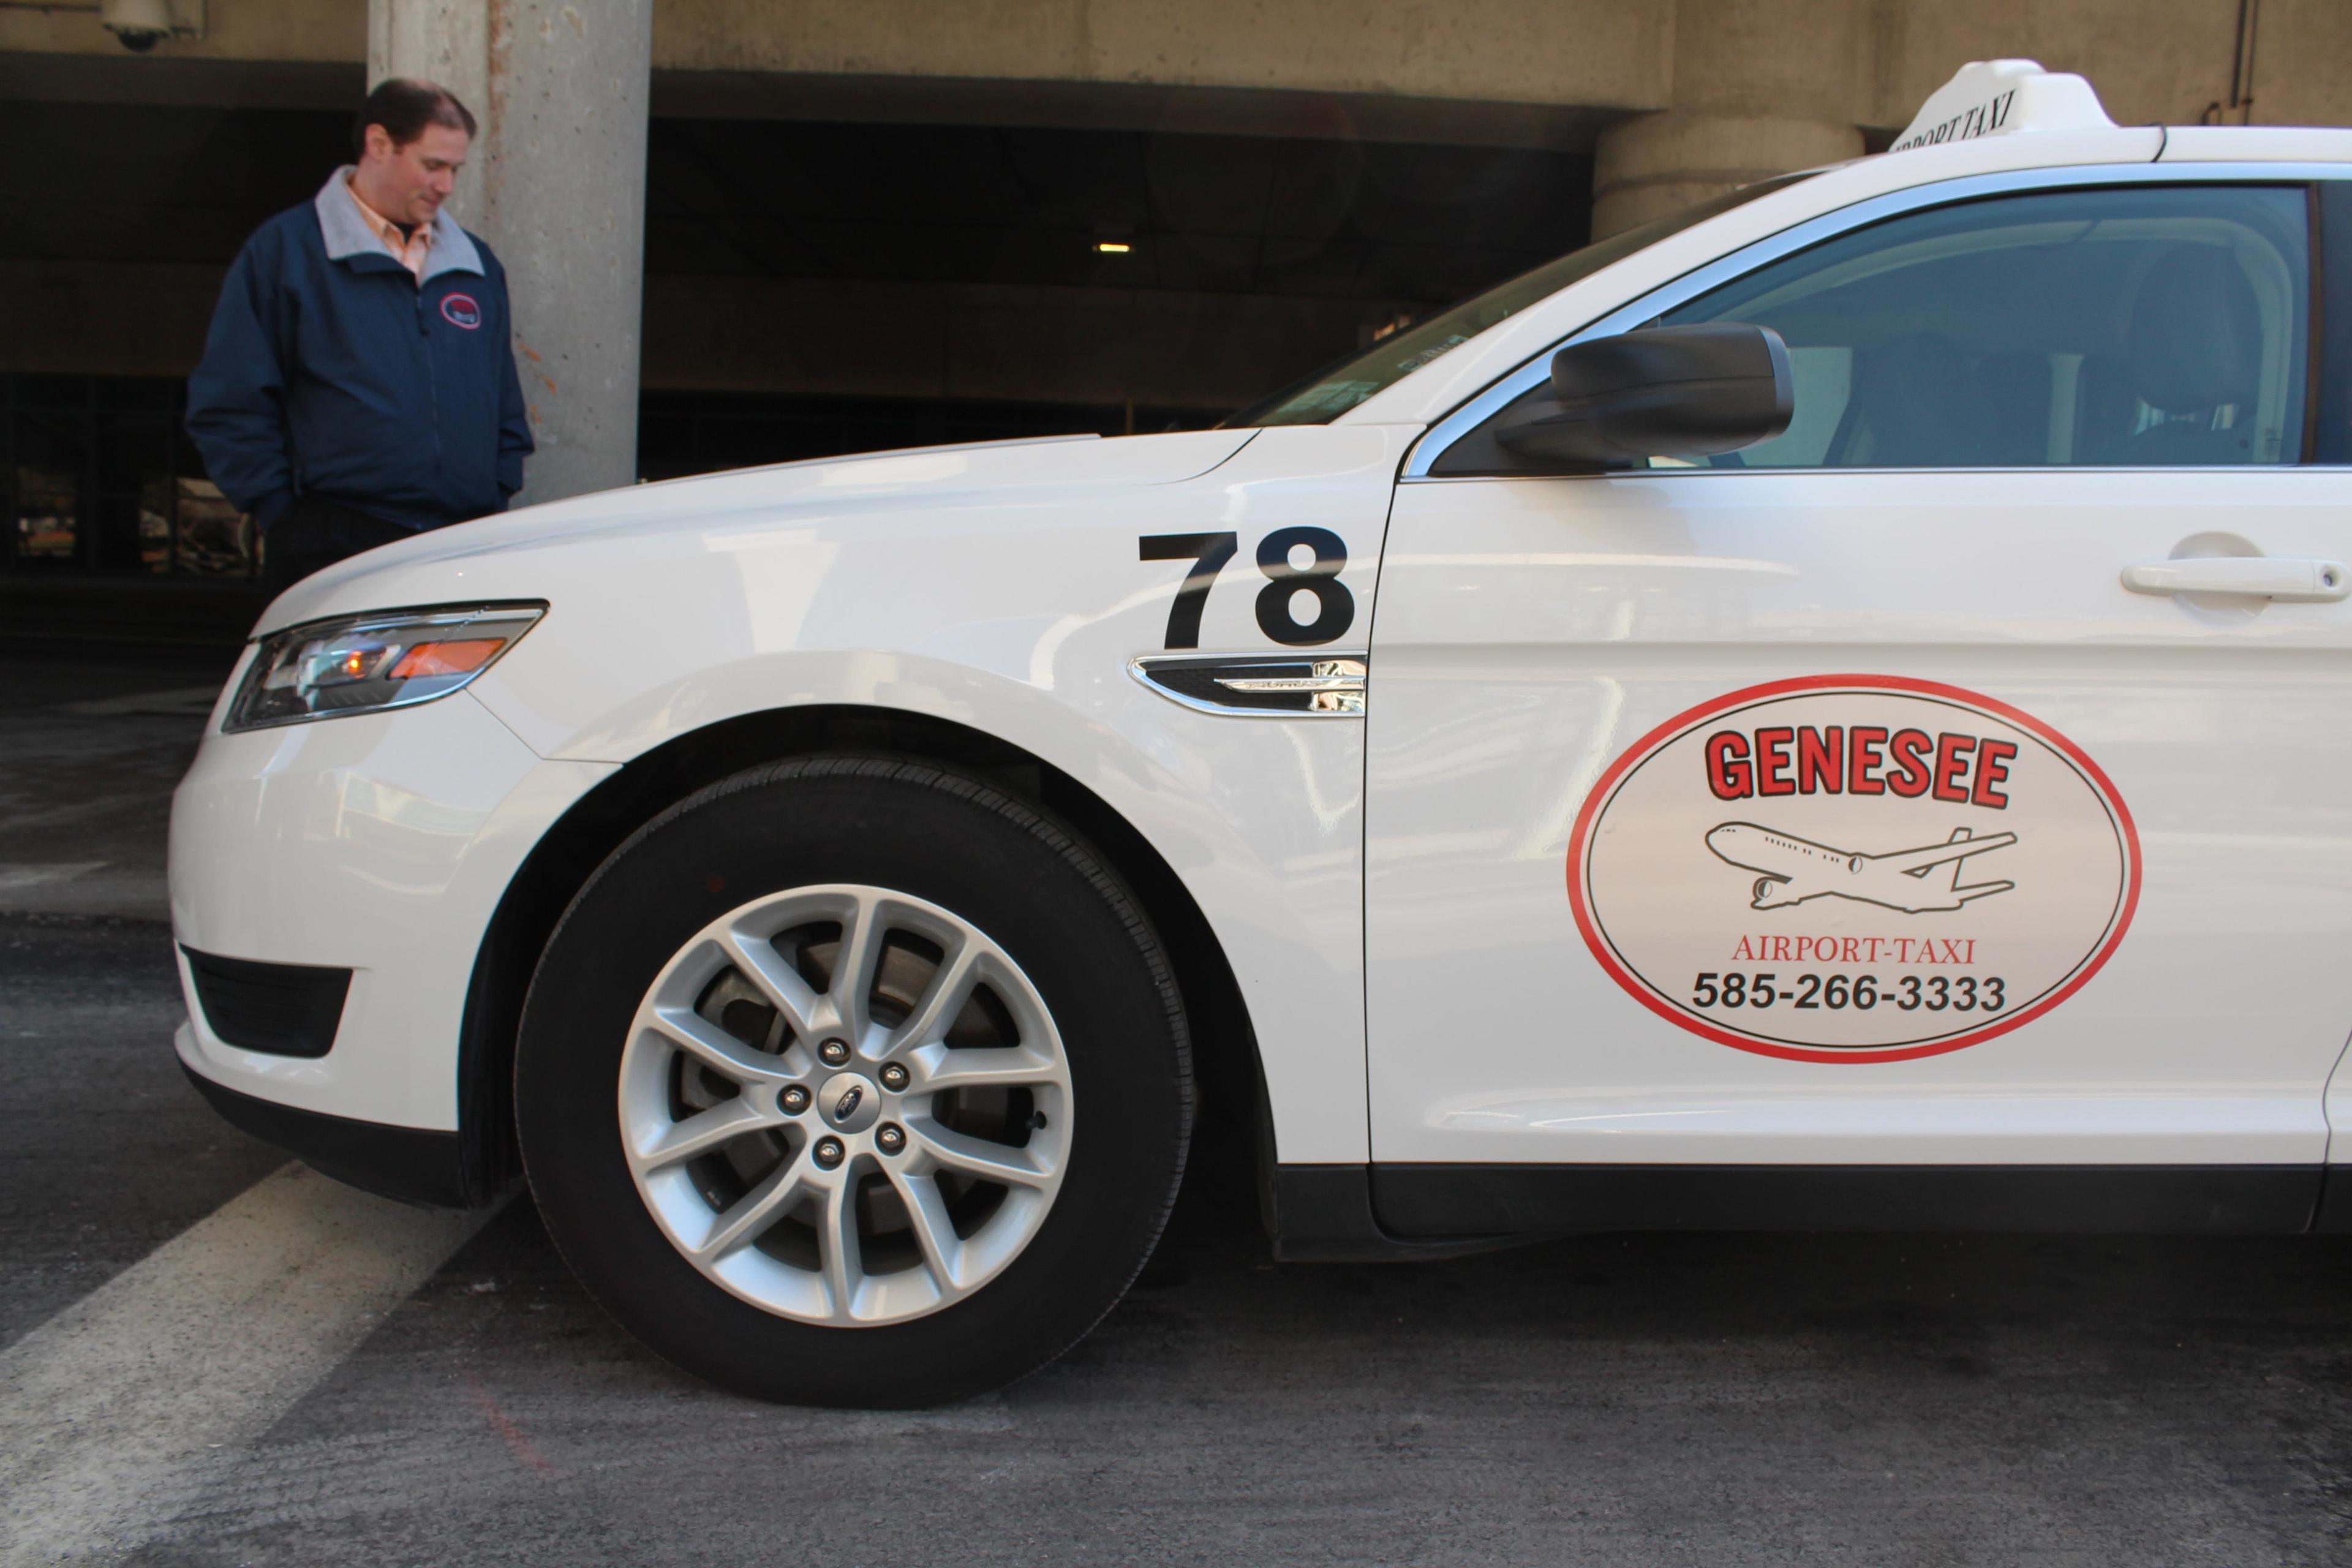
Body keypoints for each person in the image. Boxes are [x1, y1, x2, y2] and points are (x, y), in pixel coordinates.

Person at [185, 78, 533, 595]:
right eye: (432, 165)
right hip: (331, 544)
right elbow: (230, 401)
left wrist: (497, 489)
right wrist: (286, 517)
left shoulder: (475, 266)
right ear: (378, 145)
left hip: (460, 543)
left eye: (454, 170)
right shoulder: (286, 254)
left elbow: (502, 396)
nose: (446, 186)